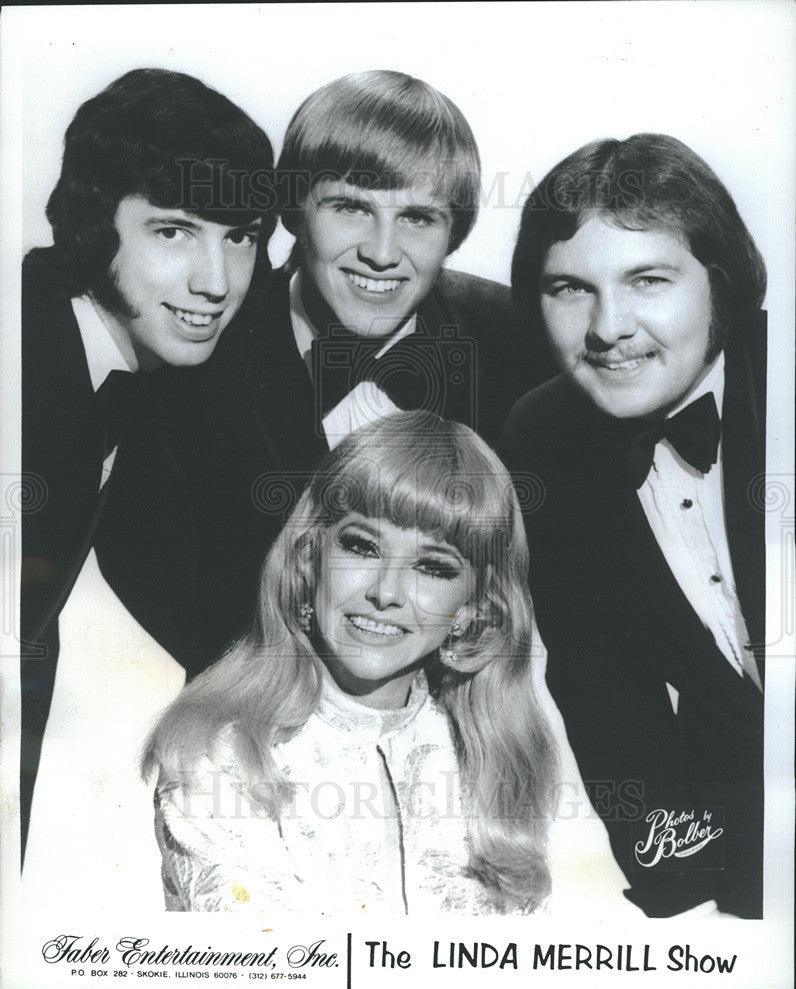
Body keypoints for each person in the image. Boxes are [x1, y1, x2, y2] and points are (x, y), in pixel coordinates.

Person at [101, 70, 556, 679]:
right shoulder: (195, 349)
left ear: (455, 231)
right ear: (294, 211)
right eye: (350, 208)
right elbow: (141, 557)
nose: (382, 252)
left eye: (419, 218)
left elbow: (551, 576)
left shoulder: (519, 344)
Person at [144, 411, 632, 916]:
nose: (385, 592)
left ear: (473, 605)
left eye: (432, 566)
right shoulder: (222, 755)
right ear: (310, 557)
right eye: (362, 546)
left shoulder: (495, 755)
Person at [20, 68, 275, 902]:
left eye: (240, 236)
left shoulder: (136, 372)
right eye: (174, 231)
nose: (216, 280)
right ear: (96, 228)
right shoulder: (22, 352)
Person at [501, 134, 767, 918]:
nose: (608, 326)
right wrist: (684, 889)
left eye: (647, 279)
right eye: (569, 288)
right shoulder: (542, 435)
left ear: (720, 283)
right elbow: (601, 685)